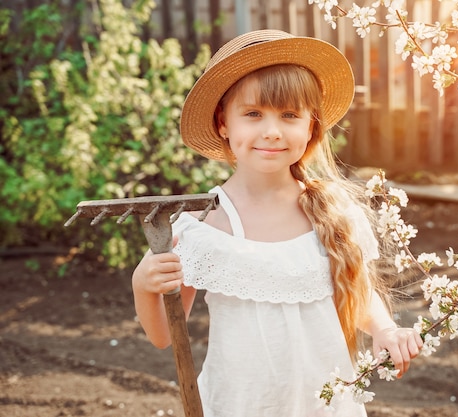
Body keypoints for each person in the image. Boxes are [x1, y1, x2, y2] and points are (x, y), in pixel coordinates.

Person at [131, 29, 423, 417]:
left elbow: (355, 289)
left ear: (311, 128)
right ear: (223, 123)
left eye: (289, 115)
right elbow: (165, 336)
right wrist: (143, 285)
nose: (271, 130)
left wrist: (385, 329)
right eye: (253, 114)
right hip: (240, 406)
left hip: (326, 406)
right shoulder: (201, 226)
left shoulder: (333, 212)